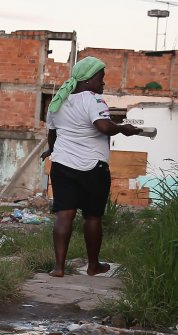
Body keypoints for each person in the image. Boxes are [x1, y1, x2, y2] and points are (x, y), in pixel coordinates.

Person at [42, 56, 144, 278]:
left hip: (62, 165)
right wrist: (123, 128)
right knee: (92, 217)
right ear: (87, 80)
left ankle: (58, 268)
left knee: (64, 215)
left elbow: (52, 132)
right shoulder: (93, 100)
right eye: (101, 78)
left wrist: (51, 151)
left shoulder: (58, 101)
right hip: (92, 168)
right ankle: (93, 265)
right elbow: (104, 127)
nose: (103, 83)